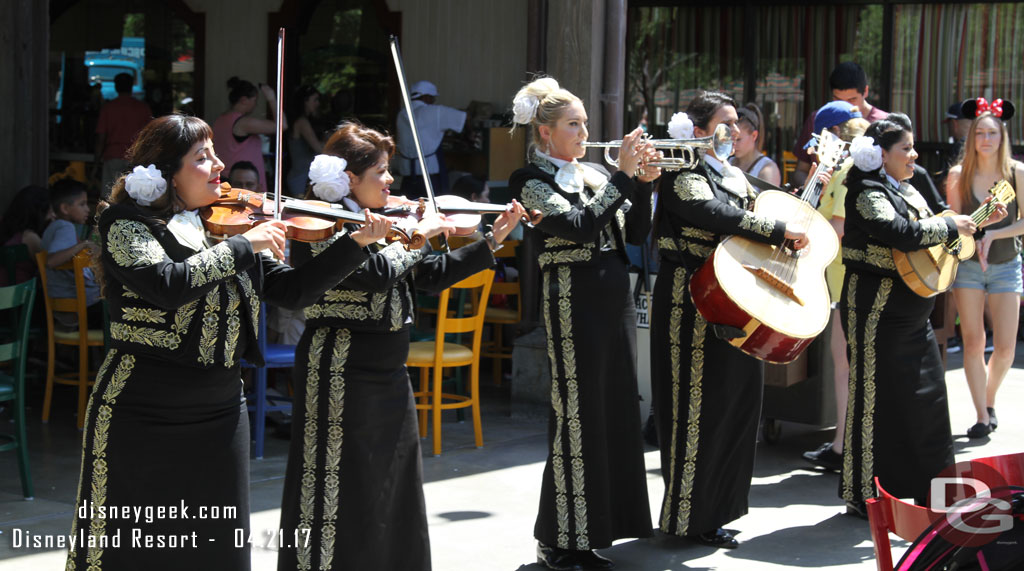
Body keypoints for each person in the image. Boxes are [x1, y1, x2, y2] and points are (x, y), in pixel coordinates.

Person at [65, 114, 388, 570]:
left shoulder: (225, 226)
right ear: (165, 172)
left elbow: (295, 291)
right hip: (143, 408)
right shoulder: (126, 224)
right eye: (203, 157)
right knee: (131, 544)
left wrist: (355, 244)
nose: (220, 164)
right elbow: (167, 284)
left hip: (219, 406)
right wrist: (245, 247)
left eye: (216, 153)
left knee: (218, 545)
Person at [277, 122, 526, 571]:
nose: (391, 181)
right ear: (349, 178)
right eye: (381, 171)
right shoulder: (322, 221)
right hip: (339, 367)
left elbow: (427, 276)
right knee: (337, 479)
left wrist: (492, 240)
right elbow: (373, 276)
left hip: (388, 370)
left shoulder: (390, 223)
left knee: (390, 479)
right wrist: (418, 234)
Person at [509, 77, 656, 570]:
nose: (584, 132)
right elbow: (577, 227)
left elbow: (634, 233)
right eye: (574, 124)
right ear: (545, 133)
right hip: (571, 301)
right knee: (577, 416)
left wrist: (643, 184)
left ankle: (597, 531)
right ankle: (559, 538)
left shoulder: (594, 173)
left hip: (610, 299)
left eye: (585, 123)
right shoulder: (528, 180)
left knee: (613, 413)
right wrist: (622, 177)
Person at [650, 92, 809, 549]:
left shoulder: (735, 175)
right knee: (696, 408)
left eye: (738, 122)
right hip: (691, 299)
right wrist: (778, 229)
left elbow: (768, 204)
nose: (735, 131)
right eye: (726, 122)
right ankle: (688, 518)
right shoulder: (684, 168)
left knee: (736, 403)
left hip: (735, 299)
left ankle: (717, 510)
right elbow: (710, 213)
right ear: (699, 130)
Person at [838, 119, 1003, 517]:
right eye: (906, 149)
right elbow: (899, 232)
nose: (914, 155)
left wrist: (978, 223)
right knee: (876, 401)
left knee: (926, 402)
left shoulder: (909, 187)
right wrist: (950, 223)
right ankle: (866, 494)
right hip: (876, 314)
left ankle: (933, 493)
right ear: (879, 155)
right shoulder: (865, 190)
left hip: (913, 316)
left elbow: (942, 236)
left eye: (913, 148)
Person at [945, 98, 1024, 439]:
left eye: (992, 133)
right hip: (968, 268)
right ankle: (980, 415)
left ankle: (989, 400)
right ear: (971, 137)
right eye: (980, 133)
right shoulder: (958, 175)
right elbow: (952, 224)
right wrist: (973, 232)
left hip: (1007, 264)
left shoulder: (1017, 173)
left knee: (1006, 347)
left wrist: (994, 233)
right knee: (973, 341)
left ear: (1002, 136)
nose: (986, 139)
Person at [800, 101, 868, 471]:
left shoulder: (848, 170)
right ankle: (842, 443)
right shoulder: (843, 169)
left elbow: (838, 230)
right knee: (845, 365)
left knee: (845, 366)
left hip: (845, 281)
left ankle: (845, 446)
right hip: (839, 281)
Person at [792, 61, 888, 186]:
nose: (845, 106)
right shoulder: (819, 118)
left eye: (852, 99)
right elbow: (801, 170)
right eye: (838, 99)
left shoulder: (885, 123)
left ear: (865, 91)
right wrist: (812, 187)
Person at [41, 178, 103, 328]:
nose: (87, 209)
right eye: (81, 204)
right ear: (65, 208)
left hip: (65, 304)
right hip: (76, 307)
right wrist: (84, 244)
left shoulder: (53, 227)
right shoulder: (64, 227)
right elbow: (52, 260)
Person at [212, 77, 284, 192]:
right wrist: (272, 98)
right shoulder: (243, 122)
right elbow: (282, 126)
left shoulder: (220, 120)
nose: (255, 105)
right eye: (255, 100)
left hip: (227, 179)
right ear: (244, 100)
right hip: (245, 182)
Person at [395, 80, 466, 198]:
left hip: (407, 175)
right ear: (426, 97)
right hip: (431, 173)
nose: (433, 102)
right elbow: (464, 118)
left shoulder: (401, 114)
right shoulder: (435, 111)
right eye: (433, 98)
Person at [94, 72, 154, 196]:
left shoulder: (108, 108)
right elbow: (150, 137)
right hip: (135, 157)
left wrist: (96, 161)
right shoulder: (142, 108)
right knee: (133, 196)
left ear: (116, 87)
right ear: (131, 86)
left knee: (109, 195)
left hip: (113, 156)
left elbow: (101, 137)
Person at [729, 103, 781, 188]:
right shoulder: (728, 162)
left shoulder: (767, 168)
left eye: (738, 139)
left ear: (754, 136)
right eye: (730, 139)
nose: (733, 144)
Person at [286, 84, 325, 196]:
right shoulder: (302, 122)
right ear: (305, 101)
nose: (318, 104)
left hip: (301, 175)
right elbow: (318, 148)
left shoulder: (302, 120)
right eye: (315, 100)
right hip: (300, 177)